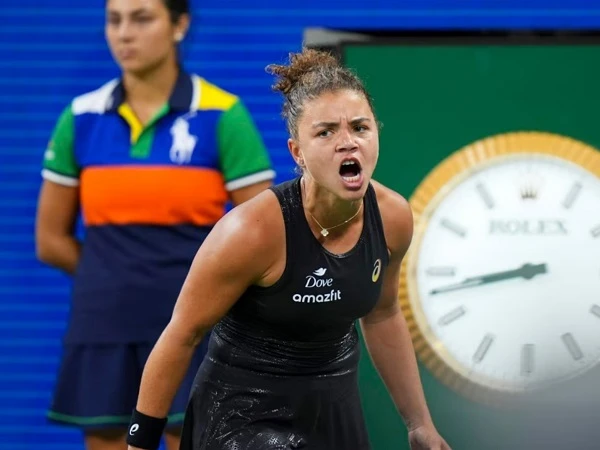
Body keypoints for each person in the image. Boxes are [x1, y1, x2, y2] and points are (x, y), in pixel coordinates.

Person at [126, 48, 451, 450]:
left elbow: (382, 314)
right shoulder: (251, 231)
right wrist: (139, 444)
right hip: (241, 413)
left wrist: (420, 424)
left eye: (360, 127)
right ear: (298, 152)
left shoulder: (393, 218)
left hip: (334, 407)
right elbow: (182, 335)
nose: (347, 143)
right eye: (325, 132)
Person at [34, 0, 275, 449]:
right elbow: (50, 241)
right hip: (104, 325)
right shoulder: (80, 118)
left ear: (179, 25)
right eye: (115, 20)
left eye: (142, 18)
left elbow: (268, 237)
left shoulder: (224, 115)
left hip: (196, 327)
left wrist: (204, 294)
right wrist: (114, 277)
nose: (124, 33)